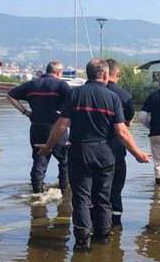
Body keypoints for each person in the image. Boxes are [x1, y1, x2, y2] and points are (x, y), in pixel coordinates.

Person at [38, 59, 150, 250]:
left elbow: (62, 125)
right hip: (105, 153)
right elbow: (122, 132)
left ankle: (82, 240)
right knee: (103, 196)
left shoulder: (75, 94)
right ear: (106, 75)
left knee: (81, 197)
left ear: (88, 74)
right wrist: (137, 153)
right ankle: (103, 236)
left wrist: (48, 147)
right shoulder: (112, 98)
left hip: (80, 151)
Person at [8, 60, 72, 193]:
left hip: (36, 126)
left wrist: (25, 112)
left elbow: (10, 95)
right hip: (56, 127)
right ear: (58, 72)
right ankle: (64, 191)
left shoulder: (32, 84)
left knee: (39, 159)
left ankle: (37, 192)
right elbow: (73, 101)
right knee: (64, 160)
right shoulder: (61, 84)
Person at [104, 58, 135, 229]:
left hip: (91, 149)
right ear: (118, 74)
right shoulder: (123, 95)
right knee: (115, 189)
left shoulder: (85, 92)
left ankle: (96, 225)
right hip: (116, 149)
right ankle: (116, 226)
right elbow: (128, 121)